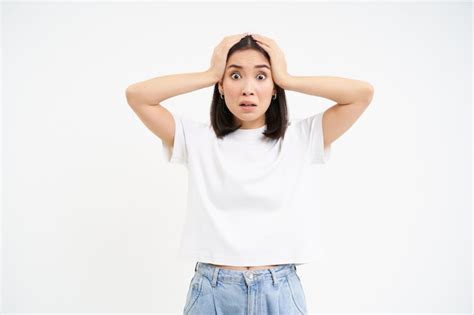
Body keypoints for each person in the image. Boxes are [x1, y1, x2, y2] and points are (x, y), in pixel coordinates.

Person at [125, 32, 374, 314]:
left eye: (260, 76)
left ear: (274, 86)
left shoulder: (300, 138)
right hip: (213, 293)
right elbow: (138, 96)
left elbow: (361, 94)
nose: (247, 89)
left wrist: (288, 78)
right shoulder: (197, 139)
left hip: (279, 292)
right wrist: (209, 73)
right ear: (220, 85)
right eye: (234, 76)